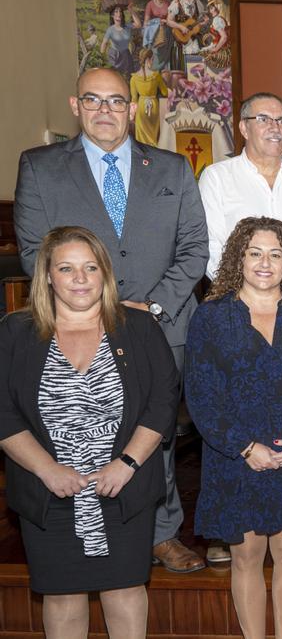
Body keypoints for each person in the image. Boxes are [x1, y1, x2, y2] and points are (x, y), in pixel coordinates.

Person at [14, 66, 208, 574]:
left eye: (117, 101)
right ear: (75, 106)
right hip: (75, 325)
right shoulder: (40, 167)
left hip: (162, 324)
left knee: (155, 429)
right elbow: (36, 252)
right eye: (94, 101)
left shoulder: (172, 169)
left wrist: (154, 308)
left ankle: (161, 532)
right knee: (78, 424)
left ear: (132, 107)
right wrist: (96, 308)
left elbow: (194, 248)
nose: (106, 111)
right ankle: (81, 522)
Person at [0, 227, 178, 637]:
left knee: (125, 591)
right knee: (62, 596)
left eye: (90, 267)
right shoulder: (15, 332)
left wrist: (127, 464)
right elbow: (4, 412)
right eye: (66, 268)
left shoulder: (138, 328)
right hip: (48, 492)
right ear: (47, 275)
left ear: (105, 273)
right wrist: (47, 469)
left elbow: (163, 400)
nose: (80, 279)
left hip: (123, 489)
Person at [185, 217, 282, 639]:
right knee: (246, 556)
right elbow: (201, 396)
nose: (265, 262)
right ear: (238, 258)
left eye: (276, 253)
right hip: (237, 457)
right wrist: (245, 447)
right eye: (255, 253)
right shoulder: (212, 318)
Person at [200, 92, 282, 299]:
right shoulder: (217, 178)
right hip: (236, 304)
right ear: (244, 128)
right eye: (263, 119)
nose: (275, 128)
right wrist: (245, 299)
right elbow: (211, 246)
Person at [129, 48, 167, 147]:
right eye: (152, 59)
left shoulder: (134, 78)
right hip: (153, 107)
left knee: (141, 140)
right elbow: (165, 92)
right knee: (154, 138)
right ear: (150, 59)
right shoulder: (156, 76)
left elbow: (134, 99)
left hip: (141, 108)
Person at [165, 0, 203, 70]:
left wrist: (203, 23)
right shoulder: (176, 3)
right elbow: (169, 21)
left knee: (196, 69)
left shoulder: (198, 3)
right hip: (181, 41)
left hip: (195, 40)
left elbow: (199, 22)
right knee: (181, 70)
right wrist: (181, 27)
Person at [142, 0, 170, 71]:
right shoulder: (150, 4)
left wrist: (165, 21)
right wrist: (157, 22)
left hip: (165, 31)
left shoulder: (168, 3)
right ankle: (153, 70)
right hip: (154, 32)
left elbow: (171, 19)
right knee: (155, 52)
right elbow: (146, 22)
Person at [100, 6, 135, 79]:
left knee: (127, 77)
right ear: (112, 15)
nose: (119, 14)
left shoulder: (127, 26)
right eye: (116, 12)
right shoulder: (110, 30)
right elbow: (104, 43)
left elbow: (138, 24)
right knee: (114, 77)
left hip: (126, 55)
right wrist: (101, 58)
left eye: (120, 12)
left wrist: (131, 11)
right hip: (115, 56)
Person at [199, 0, 231, 71]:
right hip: (220, 46)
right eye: (209, 9)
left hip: (221, 49)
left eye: (211, 8)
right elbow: (217, 35)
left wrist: (216, 49)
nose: (210, 11)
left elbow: (224, 37)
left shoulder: (217, 20)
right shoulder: (219, 18)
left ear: (216, 8)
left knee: (203, 53)